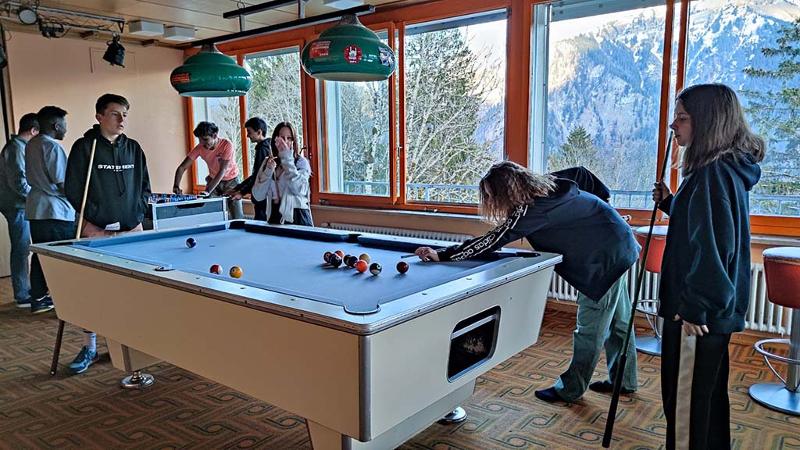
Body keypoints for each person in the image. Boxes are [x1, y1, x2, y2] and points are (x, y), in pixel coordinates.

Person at [415, 161, 639, 403]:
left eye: (492, 196)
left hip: (604, 260)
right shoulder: (549, 184)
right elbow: (582, 174)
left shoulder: (532, 209)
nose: (491, 202)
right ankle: (624, 380)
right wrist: (606, 212)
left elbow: (494, 239)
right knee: (620, 322)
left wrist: (444, 254)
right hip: (619, 245)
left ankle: (570, 389)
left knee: (589, 329)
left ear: (506, 192)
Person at [652, 84, 764, 450]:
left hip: (696, 317)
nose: (674, 125)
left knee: (686, 407)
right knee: (707, 401)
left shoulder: (711, 174)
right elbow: (705, 224)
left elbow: (715, 246)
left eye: (682, 118)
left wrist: (695, 306)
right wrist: (671, 203)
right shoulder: (723, 170)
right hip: (710, 314)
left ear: (708, 123)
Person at [64, 93, 152, 374]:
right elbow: (73, 189)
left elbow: (145, 187)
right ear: (99, 116)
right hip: (95, 231)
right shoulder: (84, 147)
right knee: (92, 289)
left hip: (131, 230)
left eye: (125, 114)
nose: (121, 119)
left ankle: (133, 342)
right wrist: (90, 222)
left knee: (133, 288)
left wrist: (136, 216)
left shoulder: (133, 148)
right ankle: (89, 346)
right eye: (115, 114)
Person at [25, 106, 75, 314]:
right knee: (61, 257)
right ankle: (65, 300)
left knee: (41, 254)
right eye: (64, 124)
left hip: (37, 209)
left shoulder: (32, 143)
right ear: (56, 125)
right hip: (55, 211)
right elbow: (62, 182)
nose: (66, 129)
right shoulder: (52, 147)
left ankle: (39, 297)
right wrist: (79, 198)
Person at [0, 113, 39, 308]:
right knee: (21, 249)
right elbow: (19, 183)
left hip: (18, 205)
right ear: (33, 131)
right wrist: (38, 197)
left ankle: (25, 290)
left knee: (23, 248)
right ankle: (22, 294)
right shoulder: (16, 148)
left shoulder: (17, 147)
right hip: (16, 206)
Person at [172, 121, 244, 220]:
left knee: (237, 217)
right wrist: (176, 185)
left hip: (231, 181)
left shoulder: (227, 145)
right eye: (200, 140)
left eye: (205, 139)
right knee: (209, 214)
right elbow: (182, 167)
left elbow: (222, 171)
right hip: (213, 180)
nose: (203, 144)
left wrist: (207, 191)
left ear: (215, 135)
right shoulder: (200, 147)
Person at [251, 122, 313, 226]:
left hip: (298, 218)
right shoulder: (269, 162)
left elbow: (299, 190)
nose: (285, 142)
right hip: (274, 218)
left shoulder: (301, 162)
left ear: (293, 141)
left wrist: (287, 159)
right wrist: (268, 171)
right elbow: (258, 196)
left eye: (289, 138)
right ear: (275, 140)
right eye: (282, 138)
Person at [230, 117, 270, 221]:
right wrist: (237, 188)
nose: (247, 135)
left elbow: (257, 177)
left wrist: (241, 193)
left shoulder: (263, 149)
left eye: (249, 132)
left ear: (259, 132)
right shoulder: (265, 146)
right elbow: (255, 175)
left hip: (263, 197)